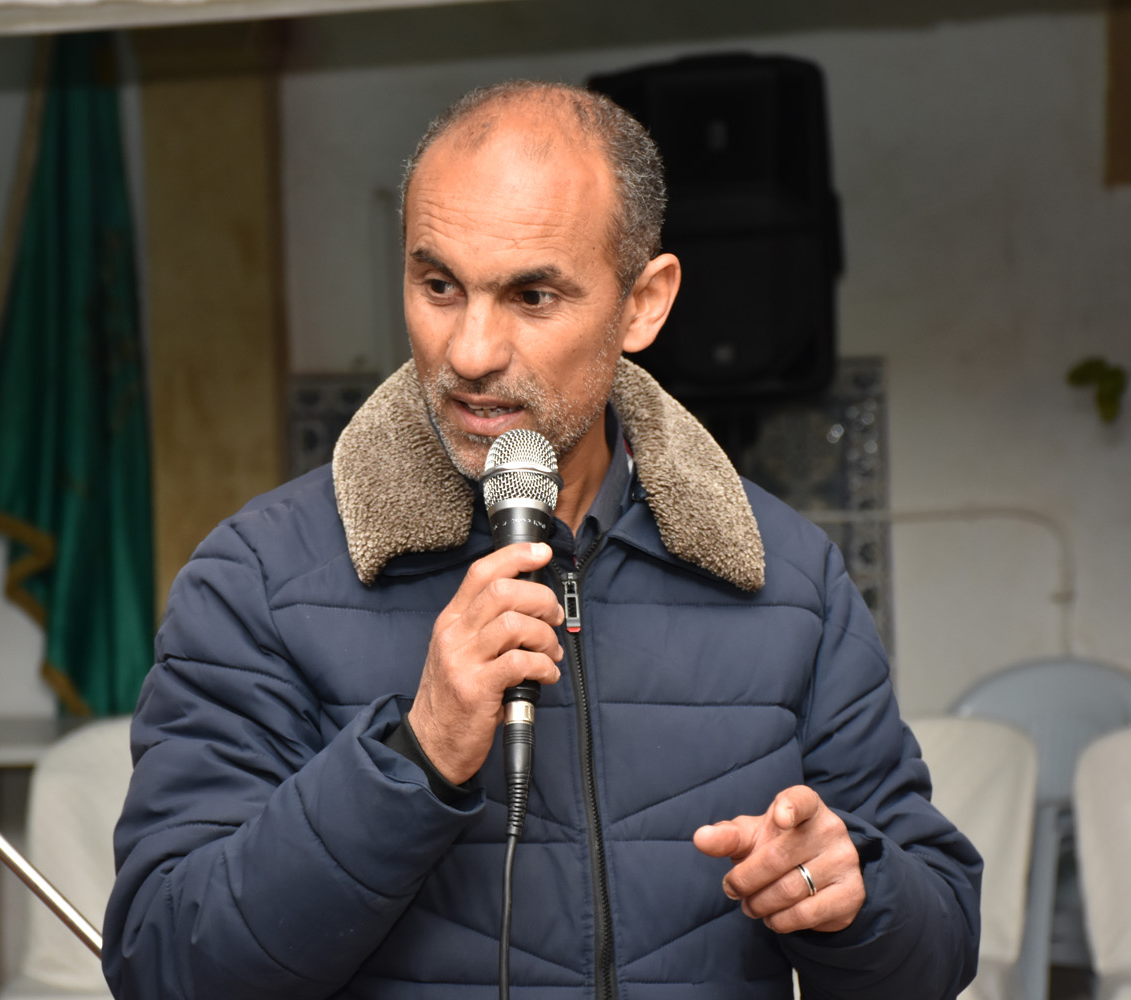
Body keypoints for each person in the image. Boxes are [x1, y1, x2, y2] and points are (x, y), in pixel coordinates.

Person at [103, 80, 981, 999]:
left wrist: (852, 894)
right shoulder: (256, 578)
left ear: (644, 303)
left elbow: (938, 947)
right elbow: (166, 963)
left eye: (531, 295)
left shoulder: (789, 578)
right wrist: (415, 754)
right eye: (438, 286)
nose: (471, 351)